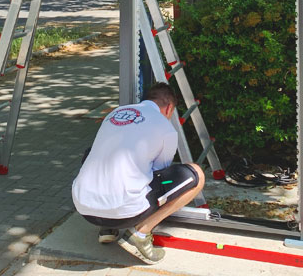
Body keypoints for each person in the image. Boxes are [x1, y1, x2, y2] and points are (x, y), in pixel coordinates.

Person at [72, 83, 204, 265]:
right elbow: (160, 173)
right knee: (196, 174)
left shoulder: (115, 114)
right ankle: (141, 233)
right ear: (169, 108)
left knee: (94, 153)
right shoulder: (165, 128)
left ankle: (107, 229)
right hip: (126, 212)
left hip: (85, 208)